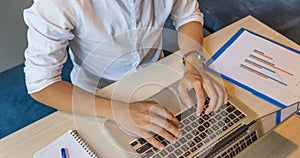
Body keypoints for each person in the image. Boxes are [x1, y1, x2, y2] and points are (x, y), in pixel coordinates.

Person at [23, 0, 227, 149]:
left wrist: (193, 63)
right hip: (96, 96)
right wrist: (117, 111)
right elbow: (41, 84)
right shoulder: (55, 4)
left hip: (158, 77)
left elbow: (187, 15)